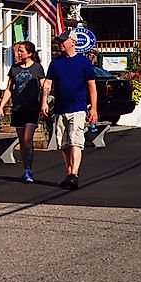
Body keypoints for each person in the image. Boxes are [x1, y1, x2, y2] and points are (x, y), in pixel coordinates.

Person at [41, 29, 98, 190]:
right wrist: (44, 101)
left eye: (63, 41)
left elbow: (92, 86)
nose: (60, 44)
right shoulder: (56, 63)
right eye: (59, 41)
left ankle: (74, 174)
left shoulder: (84, 62)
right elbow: (48, 84)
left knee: (76, 141)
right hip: (60, 108)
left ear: (73, 42)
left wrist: (93, 108)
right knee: (64, 143)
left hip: (78, 107)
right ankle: (69, 174)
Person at [0, 41, 45, 183]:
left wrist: (44, 103)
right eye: (18, 51)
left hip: (32, 108)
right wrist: (1, 107)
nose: (18, 53)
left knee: (27, 139)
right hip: (18, 109)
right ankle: (26, 169)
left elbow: (44, 88)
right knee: (22, 142)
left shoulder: (37, 68)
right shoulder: (14, 69)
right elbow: (9, 89)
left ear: (29, 54)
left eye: (21, 51)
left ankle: (29, 169)